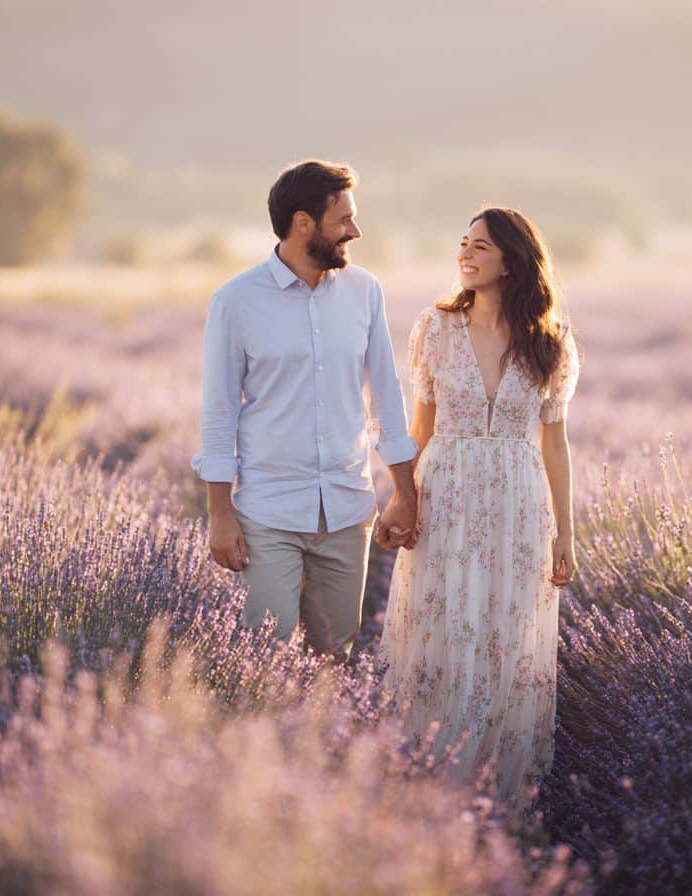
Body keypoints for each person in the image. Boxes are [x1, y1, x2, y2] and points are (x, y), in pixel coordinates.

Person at [376, 207, 580, 807]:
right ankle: (427, 787)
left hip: (519, 507)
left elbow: (556, 443)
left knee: (505, 642)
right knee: (441, 632)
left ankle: (497, 799)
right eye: (463, 244)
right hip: (447, 499)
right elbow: (420, 428)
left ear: (512, 261)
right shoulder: (435, 330)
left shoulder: (551, 342)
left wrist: (566, 533)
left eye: (480, 247)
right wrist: (401, 499)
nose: (465, 255)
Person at [191, 159, 419, 662]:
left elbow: (386, 397)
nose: (354, 232)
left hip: (347, 508)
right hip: (269, 511)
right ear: (303, 223)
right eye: (344, 220)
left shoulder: (365, 291)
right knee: (264, 656)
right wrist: (220, 515)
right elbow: (219, 412)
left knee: (334, 659)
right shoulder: (236, 301)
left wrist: (406, 494)